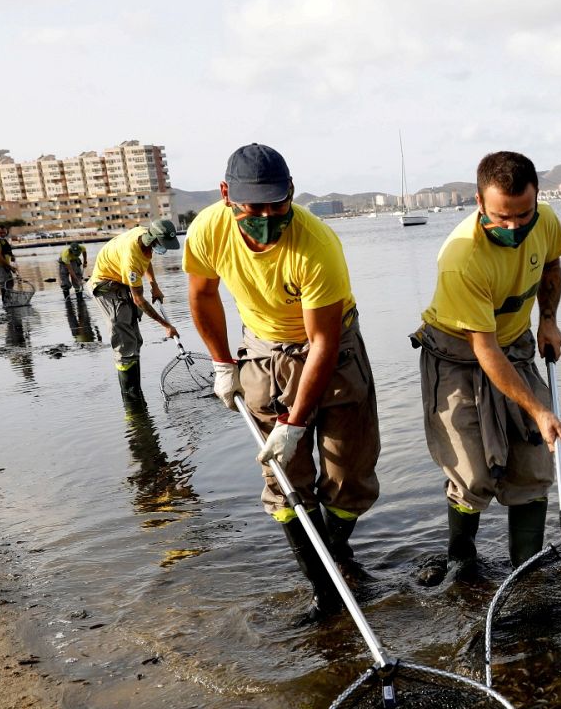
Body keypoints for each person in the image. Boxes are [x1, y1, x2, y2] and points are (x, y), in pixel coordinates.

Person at [184, 143, 380, 620]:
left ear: (292, 191)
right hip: (264, 352)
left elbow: (323, 345)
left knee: (347, 474)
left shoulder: (317, 246)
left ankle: (335, 555)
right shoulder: (208, 229)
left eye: (278, 205)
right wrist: (223, 363)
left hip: (332, 350)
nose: (268, 217)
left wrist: (294, 423)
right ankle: (324, 591)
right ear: (227, 194)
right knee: (285, 480)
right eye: (255, 208)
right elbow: (203, 295)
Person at [410, 150, 561, 586]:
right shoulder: (463, 259)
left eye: (523, 215)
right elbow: (485, 351)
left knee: (534, 465)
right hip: (458, 353)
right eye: (502, 218)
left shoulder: (546, 219)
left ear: (536, 200)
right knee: (473, 474)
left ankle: (526, 576)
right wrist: (539, 410)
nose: (515, 228)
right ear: (479, 203)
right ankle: (461, 563)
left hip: (513, 344)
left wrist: (548, 320)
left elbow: (552, 264)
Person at [88, 220, 180, 396]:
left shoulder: (144, 234)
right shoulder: (131, 258)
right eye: (161, 244)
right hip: (106, 287)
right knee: (125, 342)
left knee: (135, 339)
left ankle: (136, 391)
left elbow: (146, 258)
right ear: (152, 239)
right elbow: (139, 300)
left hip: (120, 280)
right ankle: (131, 399)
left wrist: (154, 285)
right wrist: (166, 326)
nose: (163, 248)